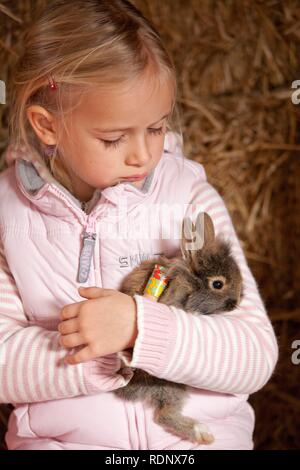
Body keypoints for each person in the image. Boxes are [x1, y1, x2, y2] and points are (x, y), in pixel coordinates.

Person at [0, 0, 278, 450]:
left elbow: (254, 355)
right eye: (113, 138)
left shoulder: (188, 199)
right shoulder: (7, 216)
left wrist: (141, 330)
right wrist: (100, 356)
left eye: (156, 128)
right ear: (46, 126)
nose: (143, 155)